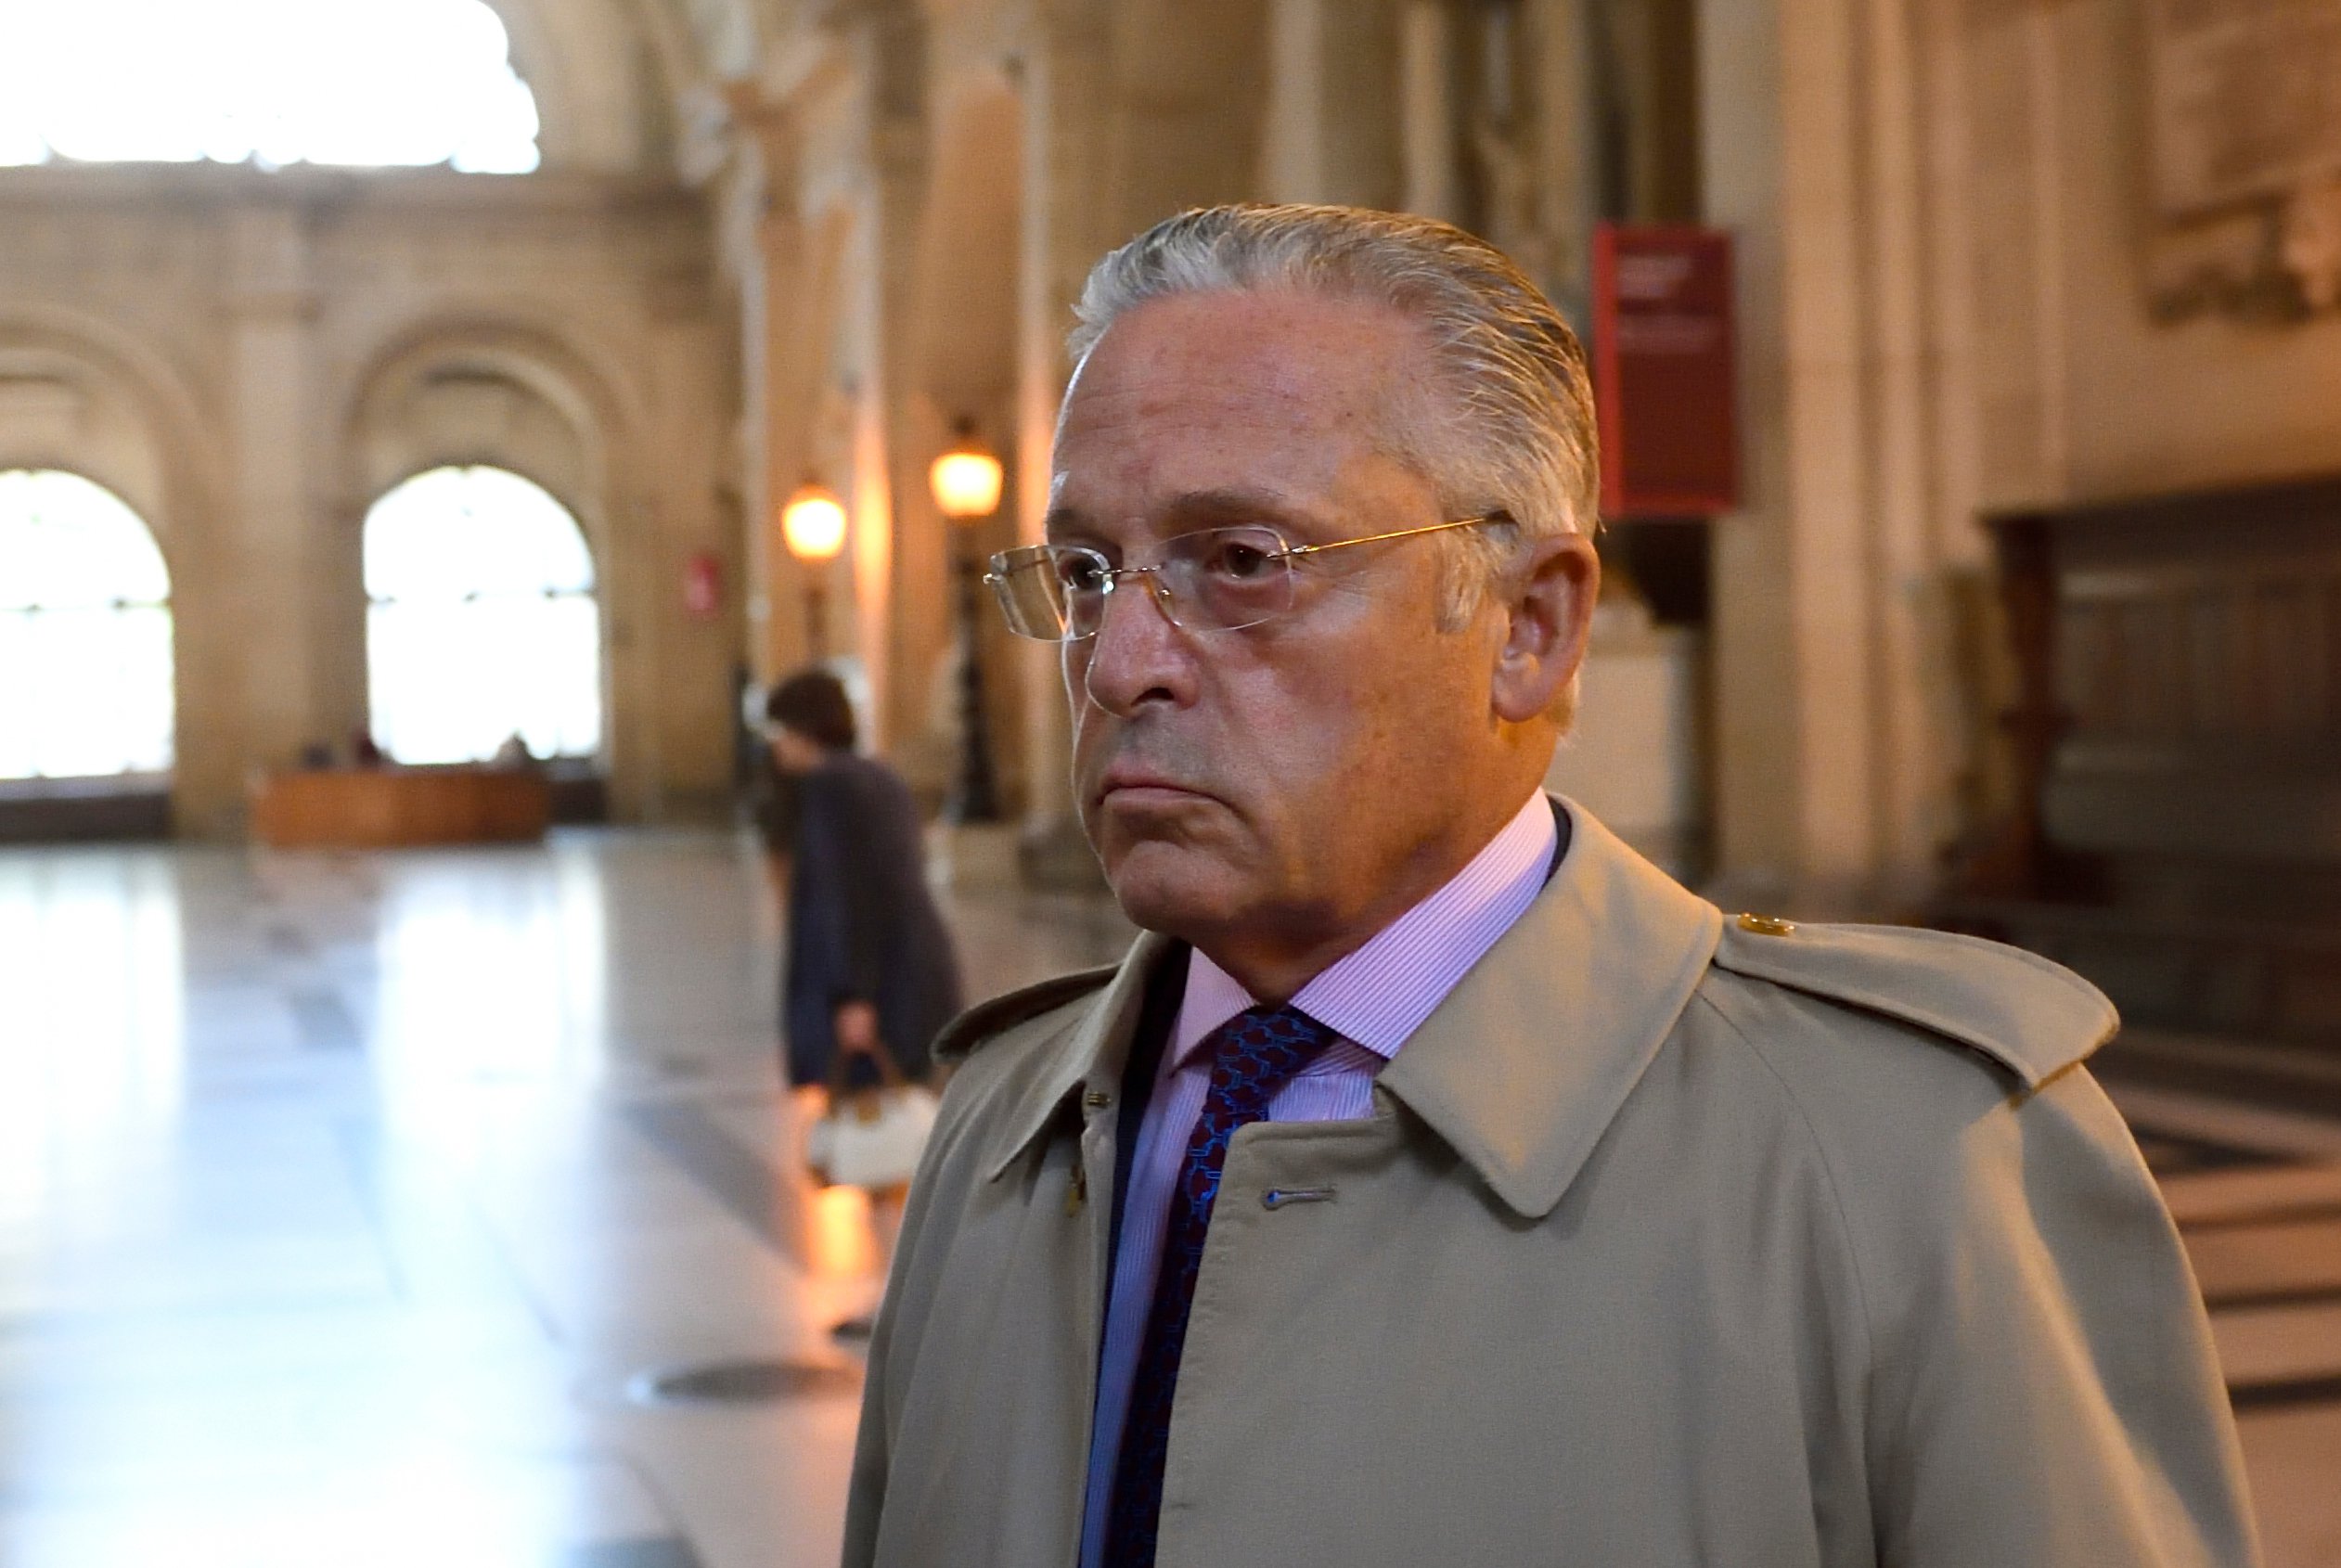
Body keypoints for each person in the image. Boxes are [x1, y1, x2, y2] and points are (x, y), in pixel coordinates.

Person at [842, 206, 2258, 1568]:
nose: (1116, 661)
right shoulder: (993, 1129)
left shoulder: (1906, 1159)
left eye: (1241, 562)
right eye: (1087, 571)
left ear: (1527, 626)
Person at [765, 665, 961, 1140]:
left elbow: (845, 900)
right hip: (913, 972)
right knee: (898, 1116)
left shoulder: (829, 788)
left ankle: (891, 1214)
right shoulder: (877, 775)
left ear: (801, 729)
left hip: (880, 987)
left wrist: (853, 995)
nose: (775, 746)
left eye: (779, 731)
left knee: (877, 1127)